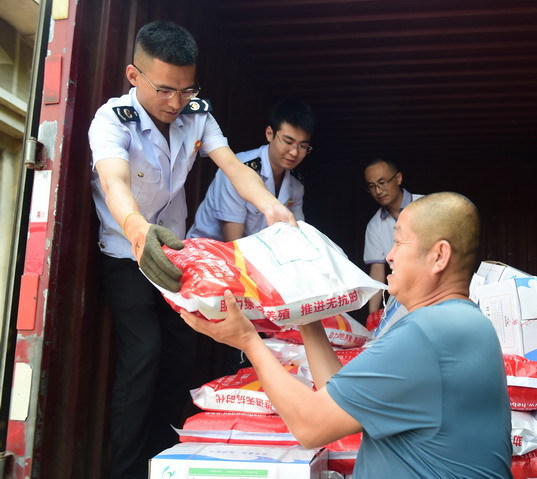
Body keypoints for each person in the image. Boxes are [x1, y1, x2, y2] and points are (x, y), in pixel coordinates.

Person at [88, 21, 295, 479]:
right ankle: (126, 471)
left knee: (181, 355)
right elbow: (114, 181)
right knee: (143, 355)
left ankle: (163, 461)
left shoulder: (196, 114)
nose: (176, 101)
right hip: (126, 253)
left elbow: (234, 167)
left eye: (187, 89)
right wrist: (136, 228)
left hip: (175, 255)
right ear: (134, 75)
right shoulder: (111, 120)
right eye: (165, 89)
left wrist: (270, 205)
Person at [181, 192, 513, 478]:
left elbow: (311, 427)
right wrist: (307, 317)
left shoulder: (428, 333)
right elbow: (336, 397)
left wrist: (248, 342)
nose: (389, 255)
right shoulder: (459, 324)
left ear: (438, 256)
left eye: (399, 241)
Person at [187, 99, 314, 241]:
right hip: (210, 248)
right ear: (269, 134)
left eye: (302, 146)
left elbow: (297, 233)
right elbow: (233, 240)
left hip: (257, 251)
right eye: (288, 142)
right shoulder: (237, 168)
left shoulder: (296, 184)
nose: (294, 152)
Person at [363, 158, 423, 313]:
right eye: (372, 186)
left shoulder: (427, 205)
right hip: (405, 301)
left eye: (382, 183)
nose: (378, 191)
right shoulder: (374, 225)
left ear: (398, 178)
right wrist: (372, 316)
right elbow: (377, 271)